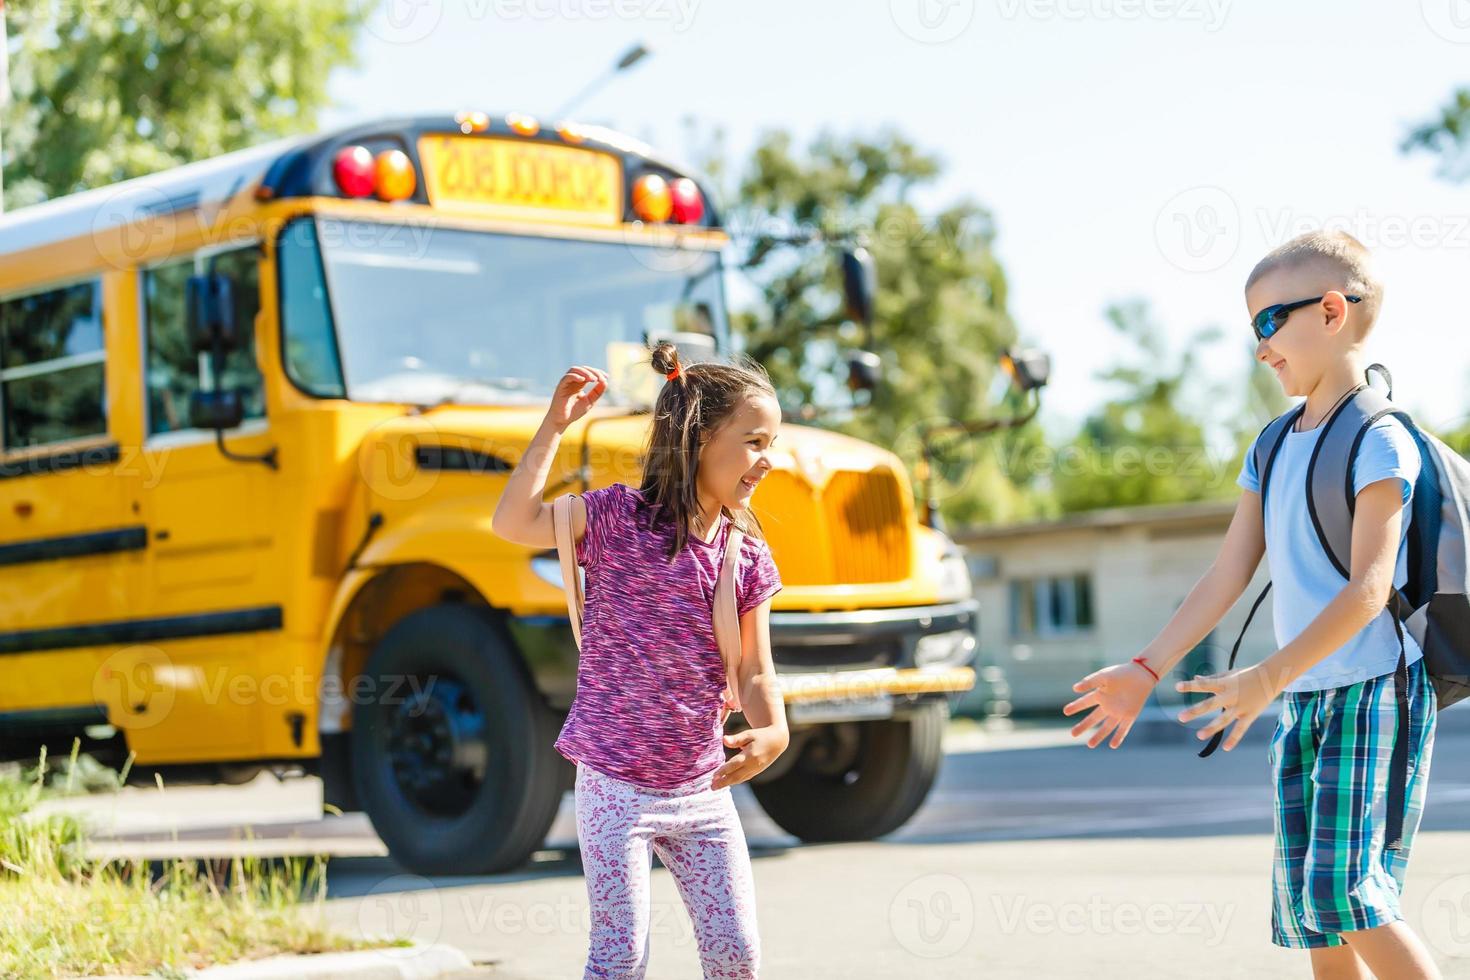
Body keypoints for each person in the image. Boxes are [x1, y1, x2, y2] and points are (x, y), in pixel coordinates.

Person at [1063, 230, 1441, 979]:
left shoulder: (1381, 436)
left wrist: (1265, 677)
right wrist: (1147, 666)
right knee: (1312, 914)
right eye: (1252, 329)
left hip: (1374, 692)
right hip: (1304, 696)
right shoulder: (1270, 446)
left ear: (1332, 311)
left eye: (1270, 322)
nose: (1261, 347)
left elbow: (1369, 589)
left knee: (1347, 894)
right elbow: (1226, 575)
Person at [491, 341, 787, 979]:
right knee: (620, 959)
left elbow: (755, 671)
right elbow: (513, 522)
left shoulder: (745, 553)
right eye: (756, 442)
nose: (769, 461)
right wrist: (554, 425)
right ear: (700, 436)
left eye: (772, 444)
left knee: (737, 955)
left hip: (702, 786)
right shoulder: (614, 519)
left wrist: (775, 729)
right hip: (614, 784)